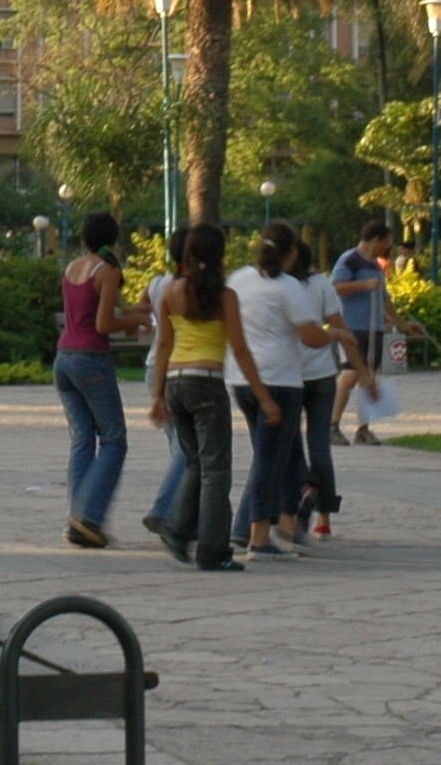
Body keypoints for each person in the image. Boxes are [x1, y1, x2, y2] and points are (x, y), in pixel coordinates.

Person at [148, 223, 278, 572]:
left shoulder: (170, 292)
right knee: (216, 471)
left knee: (195, 463)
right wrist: (264, 397)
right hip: (207, 383)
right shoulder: (225, 296)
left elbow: (163, 345)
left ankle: (177, 530)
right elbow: (240, 349)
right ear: (220, 255)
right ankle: (212, 549)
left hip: (175, 383)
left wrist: (158, 395)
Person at [233, 223, 317, 560]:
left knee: (266, 457)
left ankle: (253, 528)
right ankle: (259, 537)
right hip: (278, 380)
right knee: (270, 460)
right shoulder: (288, 286)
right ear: (292, 253)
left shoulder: (238, 279)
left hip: (240, 379)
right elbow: (311, 335)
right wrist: (335, 337)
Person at [54, 211, 131, 549]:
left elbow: (86, 314)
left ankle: (76, 519)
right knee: (114, 440)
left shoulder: (72, 267)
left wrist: (131, 314)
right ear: (113, 239)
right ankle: (89, 517)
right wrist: (134, 323)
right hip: (91, 360)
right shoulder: (108, 270)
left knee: (82, 439)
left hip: (64, 359)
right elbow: (102, 325)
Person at [286, 232, 364, 544]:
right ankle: (324, 519)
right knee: (320, 445)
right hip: (321, 373)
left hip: (289, 374)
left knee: (290, 443)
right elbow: (340, 328)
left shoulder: (281, 286)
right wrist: (358, 367)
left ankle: (304, 491)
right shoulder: (320, 285)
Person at [137, 226, 192, 544]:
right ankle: (164, 510)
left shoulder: (158, 283)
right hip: (174, 368)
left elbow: (144, 305)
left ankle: (177, 513)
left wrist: (147, 322)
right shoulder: (189, 287)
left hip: (153, 366)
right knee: (186, 449)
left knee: (180, 447)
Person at [330, 222, 397, 444]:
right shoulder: (349, 260)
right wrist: (362, 284)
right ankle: (332, 425)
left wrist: (401, 323)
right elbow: (337, 287)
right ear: (376, 240)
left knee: (368, 375)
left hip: (374, 328)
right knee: (350, 374)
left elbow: (384, 298)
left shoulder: (376, 266)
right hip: (352, 327)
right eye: (386, 242)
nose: (387, 247)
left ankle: (363, 429)